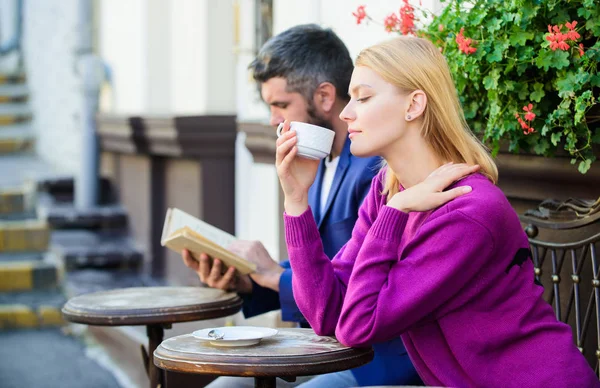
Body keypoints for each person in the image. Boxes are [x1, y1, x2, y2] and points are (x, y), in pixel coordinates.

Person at [275, 35, 600, 387]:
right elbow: (325, 314)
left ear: (414, 105)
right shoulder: (387, 191)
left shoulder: (468, 210)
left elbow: (357, 325)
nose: (345, 112)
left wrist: (394, 214)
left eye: (363, 97)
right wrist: (296, 201)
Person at [181, 25, 421, 387]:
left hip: (373, 359)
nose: (273, 120)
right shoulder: (319, 161)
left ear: (325, 97)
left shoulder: (374, 170)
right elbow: (328, 265)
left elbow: (358, 283)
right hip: (326, 344)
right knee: (226, 384)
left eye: (280, 105)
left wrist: (274, 276)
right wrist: (249, 281)